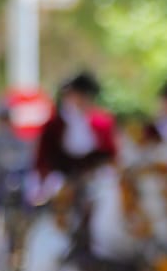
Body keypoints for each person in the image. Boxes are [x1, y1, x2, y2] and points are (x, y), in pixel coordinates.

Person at [32, 71, 118, 200]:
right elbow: (43, 156)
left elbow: (111, 153)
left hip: (95, 176)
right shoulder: (54, 124)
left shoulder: (103, 122)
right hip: (61, 175)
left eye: (85, 96)